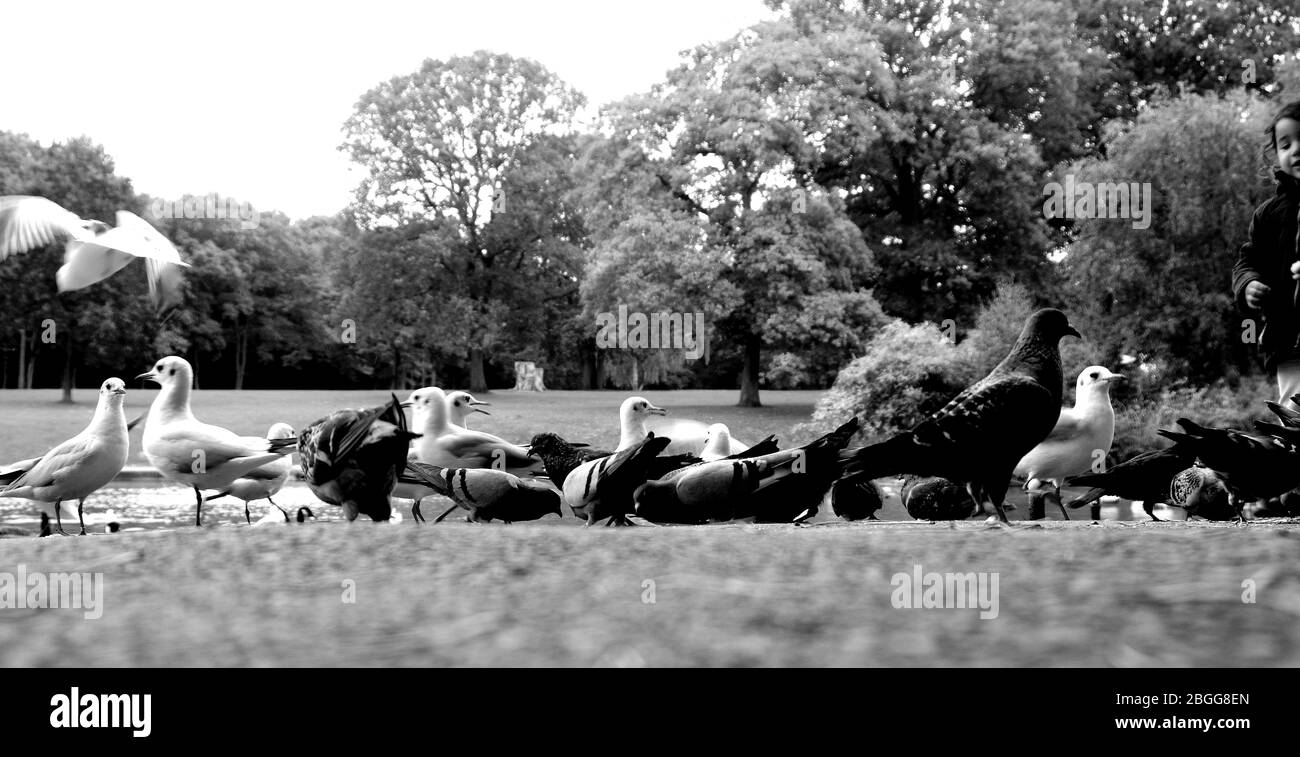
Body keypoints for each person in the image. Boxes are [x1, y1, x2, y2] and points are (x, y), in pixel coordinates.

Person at [1233, 99, 1300, 409]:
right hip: (1287, 339)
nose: (1295, 149)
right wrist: (1248, 284)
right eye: (1286, 144)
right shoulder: (1267, 215)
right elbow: (1248, 259)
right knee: (1295, 412)